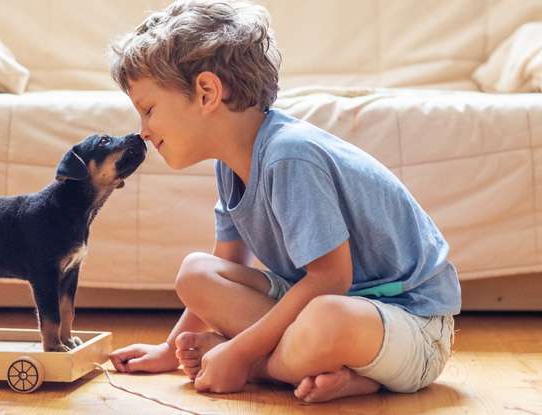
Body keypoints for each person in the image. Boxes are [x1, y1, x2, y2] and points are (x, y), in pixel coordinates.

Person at [106, 0, 461, 403]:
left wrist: (237, 354)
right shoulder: (232, 163)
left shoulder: (290, 155)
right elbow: (230, 264)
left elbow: (331, 279)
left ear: (206, 92)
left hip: (412, 322)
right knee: (196, 274)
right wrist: (170, 351)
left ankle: (264, 368)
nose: (144, 132)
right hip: (328, 310)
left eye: (148, 110)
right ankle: (331, 370)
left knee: (328, 317)